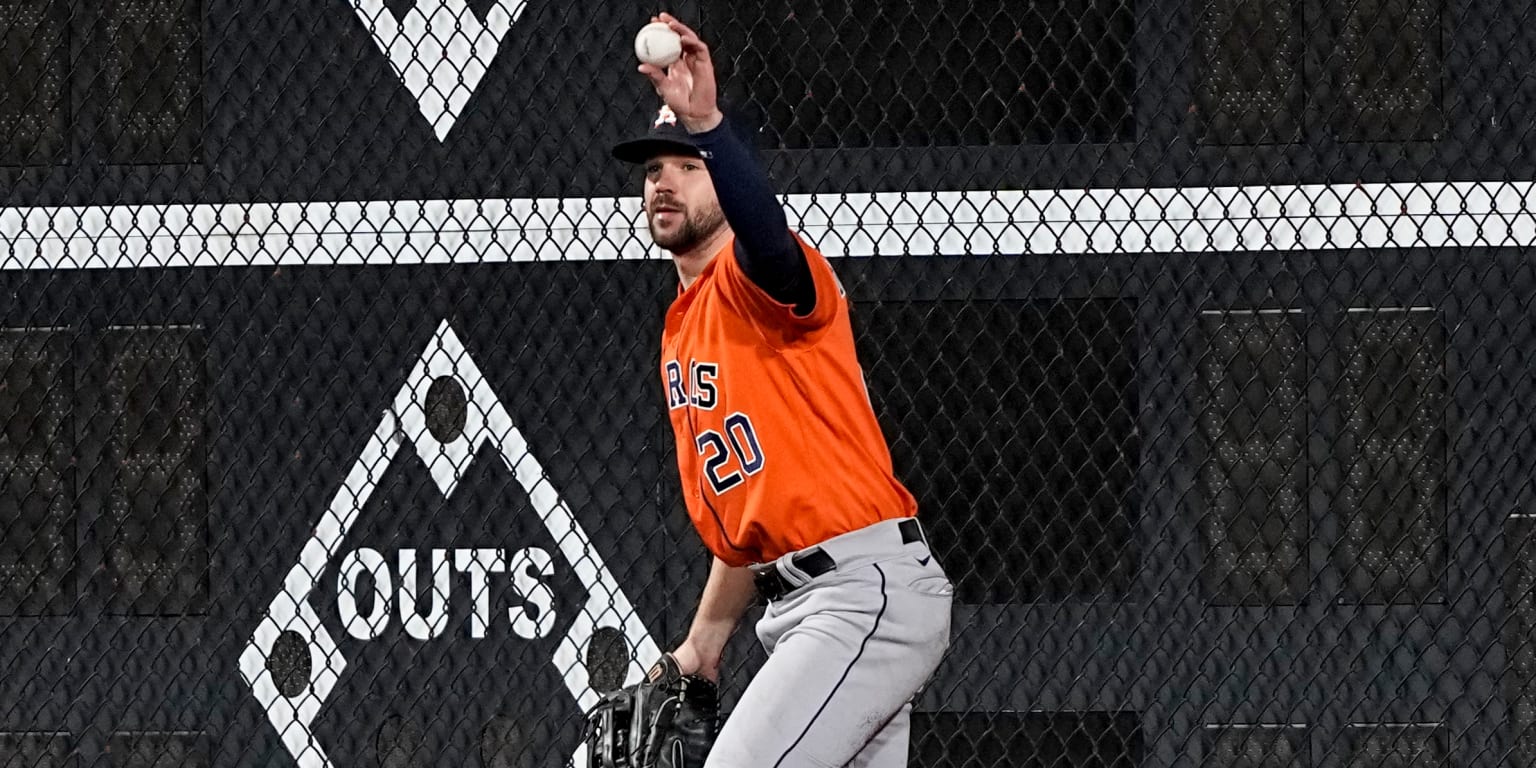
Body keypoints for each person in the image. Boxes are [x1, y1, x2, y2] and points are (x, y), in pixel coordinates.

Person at [611, 14, 953, 767]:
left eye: (688, 164)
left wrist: (709, 126)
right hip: (802, 608)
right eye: (652, 168)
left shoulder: (759, 278)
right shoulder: (684, 326)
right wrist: (704, 643)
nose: (663, 180)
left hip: (862, 593)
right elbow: (756, 509)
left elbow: (767, 237)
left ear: (728, 177)